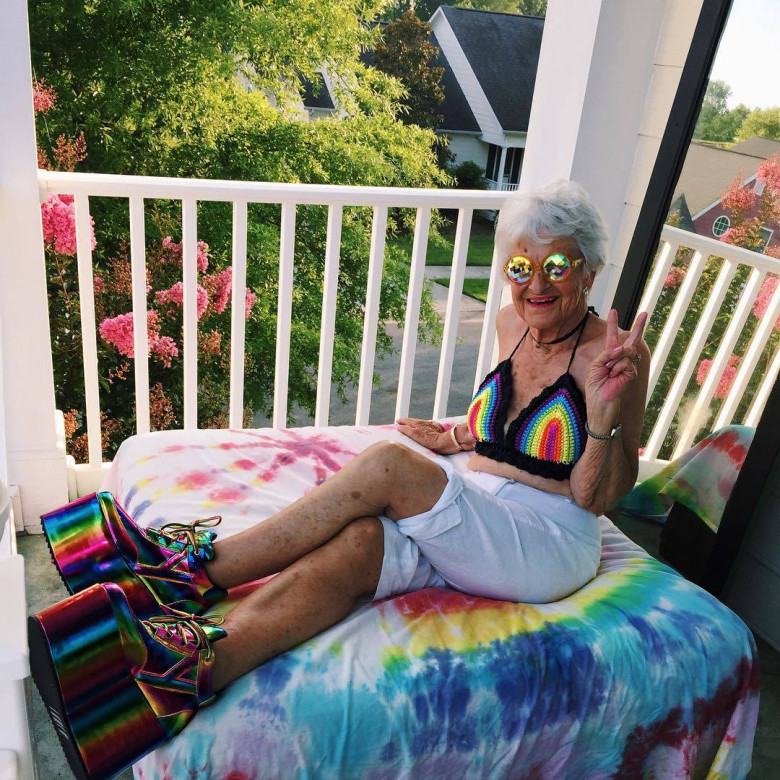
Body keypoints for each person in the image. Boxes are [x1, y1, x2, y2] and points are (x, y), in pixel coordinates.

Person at [30, 179, 650, 780]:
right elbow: (513, 428)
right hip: (480, 514)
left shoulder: (616, 355)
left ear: (590, 270)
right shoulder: (513, 326)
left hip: (547, 541)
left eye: (556, 267)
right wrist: (458, 437)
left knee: (388, 464)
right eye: (520, 267)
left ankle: (185, 571)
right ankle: (176, 676)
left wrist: (601, 417)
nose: (535, 284)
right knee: (358, 544)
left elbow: (597, 496)